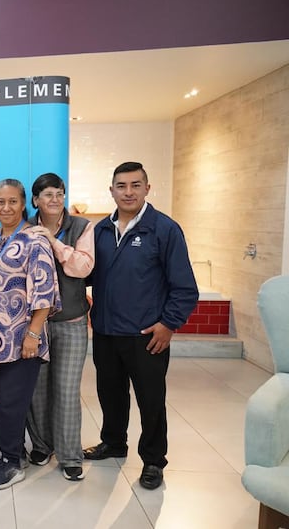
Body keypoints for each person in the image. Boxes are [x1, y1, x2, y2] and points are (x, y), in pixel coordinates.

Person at [83, 162, 198, 490]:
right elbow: (88, 272)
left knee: (150, 399)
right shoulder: (101, 231)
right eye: (121, 186)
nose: (128, 192)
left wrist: (169, 325)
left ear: (148, 188)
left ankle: (152, 460)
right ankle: (114, 442)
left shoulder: (164, 229)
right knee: (110, 394)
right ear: (112, 191)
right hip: (105, 331)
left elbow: (185, 287)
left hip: (146, 335)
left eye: (135, 185)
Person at [0, 178, 61, 490]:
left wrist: (33, 335)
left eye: (12, 202)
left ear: (23, 204)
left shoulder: (35, 241)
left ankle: (12, 463)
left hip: (21, 339)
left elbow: (44, 293)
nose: (6, 208)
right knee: (4, 398)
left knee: (10, 401)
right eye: (0, 202)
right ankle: (14, 450)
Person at [23, 173, 95, 481]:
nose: (55, 199)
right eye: (48, 194)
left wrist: (52, 241)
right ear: (36, 200)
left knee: (66, 391)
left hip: (71, 321)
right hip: (34, 324)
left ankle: (69, 455)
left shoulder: (81, 226)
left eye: (59, 194)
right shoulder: (25, 228)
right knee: (37, 391)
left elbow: (82, 267)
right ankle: (42, 445)